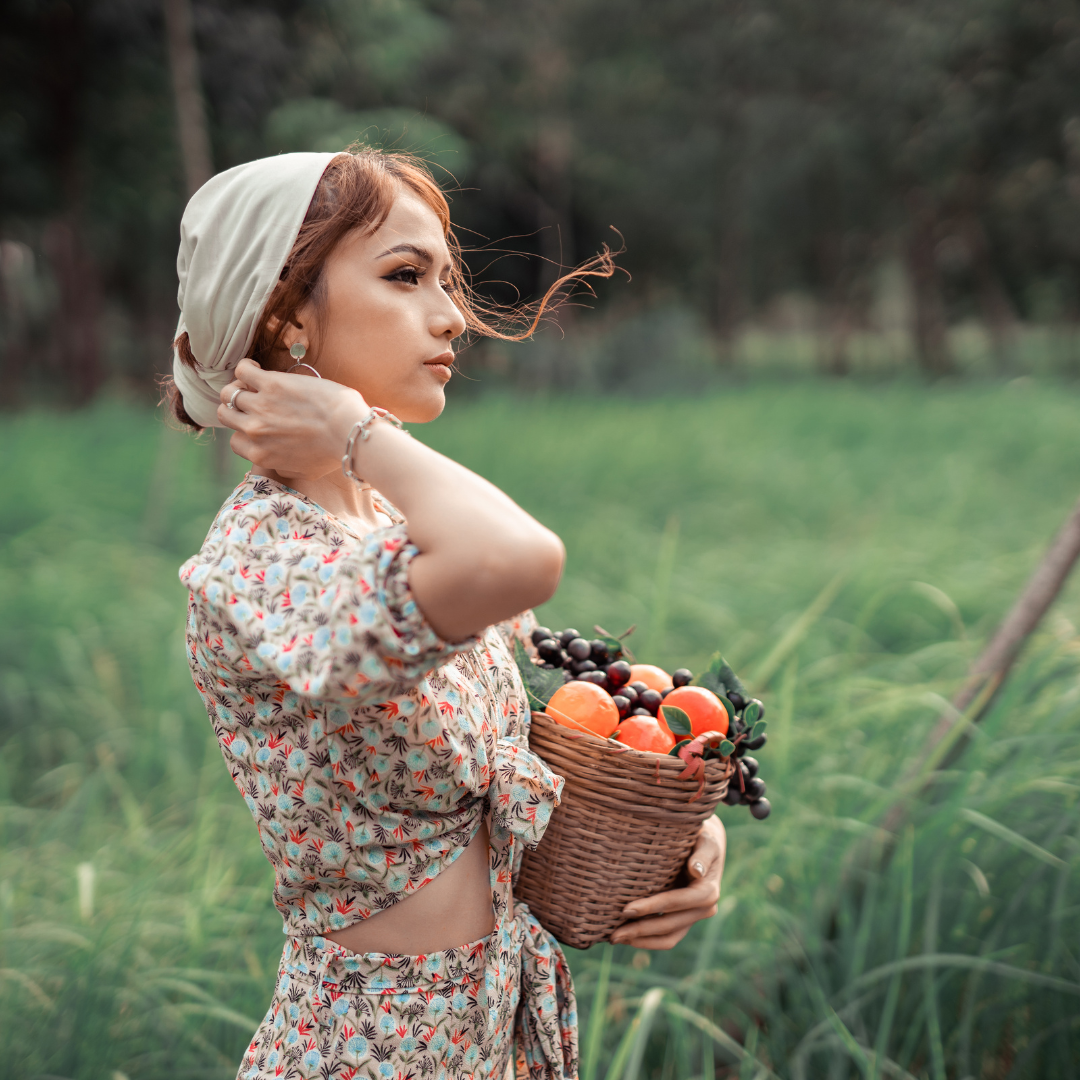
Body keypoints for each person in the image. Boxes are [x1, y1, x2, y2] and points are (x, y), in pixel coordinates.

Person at [166, 148, 726, 1080]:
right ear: (286, 315)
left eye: (446, 279)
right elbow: (521, 559)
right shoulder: (263, 560)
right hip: (375, 1054)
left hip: (493, 1040)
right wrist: (357, 430)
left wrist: (673, 838)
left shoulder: (387, 519)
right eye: (404, 276)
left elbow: (542, 730)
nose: (453, 315)